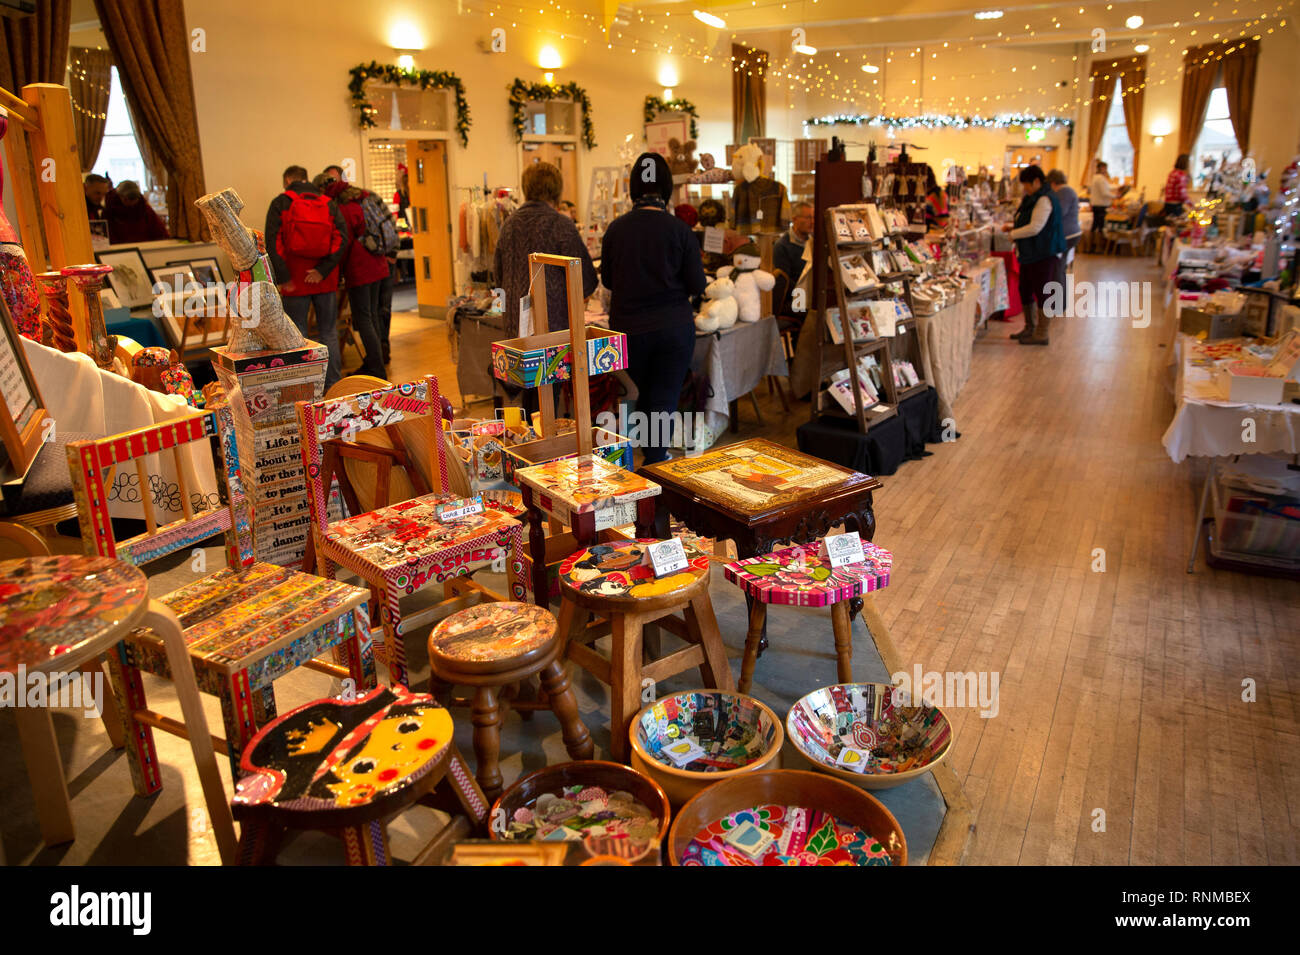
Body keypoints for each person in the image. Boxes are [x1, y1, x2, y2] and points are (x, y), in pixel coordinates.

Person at [600, 152, 707, 464]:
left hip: (628, 328)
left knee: (640, 396)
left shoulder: (616, 230)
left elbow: (607, 280)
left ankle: (640, 459)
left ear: (634, 188)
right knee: (663, 398)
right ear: (667, 189)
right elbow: (697, 284)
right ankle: (657, 462)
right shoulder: (680, 231)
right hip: (672, 327)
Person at [493, 162, 597, 412]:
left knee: (528, 398)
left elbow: (498, 279)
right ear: (556, 190)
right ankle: (545, 446)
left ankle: (529, 442)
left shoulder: (509, 225)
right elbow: (585, 279)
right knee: (547, 400)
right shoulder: (560, 224)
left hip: (516, 327)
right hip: (552, 326)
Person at [265, 164, 348, 388]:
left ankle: (305, 387)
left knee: (297, 336)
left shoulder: (281, 203)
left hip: (295, 280)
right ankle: (334, 386)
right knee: (329, 332)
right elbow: (341, 239)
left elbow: (273, 243)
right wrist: (323, 270)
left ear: (287, 181)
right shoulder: (328, 203)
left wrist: (285, 277)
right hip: (324, 279)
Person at [319, 174, 392, 379]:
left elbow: (343, 244)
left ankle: (376, 368)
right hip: (378, 264)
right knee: (373, 316)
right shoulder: (361, 202)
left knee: (364, 319)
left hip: (360, 270)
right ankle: (374, 362)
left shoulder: (342, 210)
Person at [1002, 164, 1065, 346]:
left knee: (1042, 291)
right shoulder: (1034, 198)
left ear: (1037, 181)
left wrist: (1013, 234)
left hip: (1043, 252)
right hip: (1032, 253)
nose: (1025, 188)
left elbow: (1036, 227)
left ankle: (1042, 332)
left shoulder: (1044, 199)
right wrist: (1014, 228)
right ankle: (1030, 327)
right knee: (1025, 289)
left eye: (1027, 185)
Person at [773, 201, 813, 338]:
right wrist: (806, 293)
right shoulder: (782, 246)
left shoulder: (813, 242)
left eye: (813, 217)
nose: (812, 222)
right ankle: (802, 356)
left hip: (808, 294)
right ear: (795, 219)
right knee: (813, 312)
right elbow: (783, 282)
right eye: (808, 218)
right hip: (793, 298)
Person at [103, 180, 170, 244]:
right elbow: (108, 234)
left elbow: (159, 231)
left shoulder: (144, 208)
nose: (130, 203)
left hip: (145, 245)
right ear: (119, 196)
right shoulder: (110, 209)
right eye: (126, 199)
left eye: (133, 199)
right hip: (119, 248)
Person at [1047, 169, 1082, 270]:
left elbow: (1060, 212)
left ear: (1052, 183)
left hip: (1067, 233)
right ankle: (1060, 284)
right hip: (1070, 233)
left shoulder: (1064, 191)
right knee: (1060, 264)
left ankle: (1058, 285)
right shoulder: (1067, 191)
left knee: (1058, 265)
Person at [1089, 160, 1114, 242]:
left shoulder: (1096, 177)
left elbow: (1107, 188)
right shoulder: (1100, 178)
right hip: (1101, 205)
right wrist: (1116, 196)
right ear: (1102, 168)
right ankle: (1098, 246)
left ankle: (1092, 246)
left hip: (1096, 204)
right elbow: (1104, 192)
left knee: (1095, 225)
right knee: (1100, 226)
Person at [1163, 153, 1191, 218]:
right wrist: (1192, 205)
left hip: (1167, 204)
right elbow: (1182, 194)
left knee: (1170, 224)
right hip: (1175, 206)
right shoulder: (1180, 175)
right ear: (1186, 163)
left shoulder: (1172, 173)